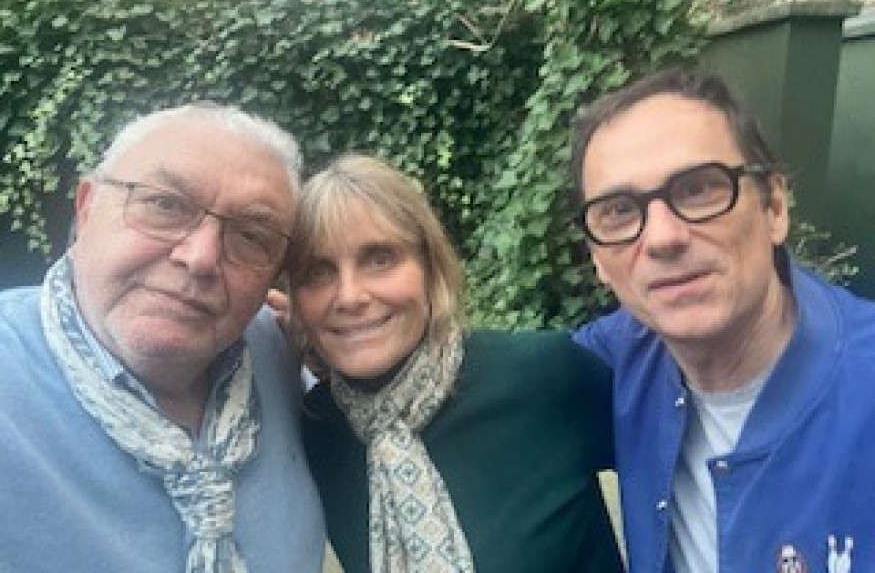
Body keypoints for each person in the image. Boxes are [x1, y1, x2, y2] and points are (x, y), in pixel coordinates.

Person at [570, 67, 875, 573]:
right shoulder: (609, 364)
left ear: (773, 207)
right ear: (598, 258)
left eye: (698, 189)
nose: (662, 237)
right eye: (619, 211)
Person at [0, 103, 325, 572]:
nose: (201, 257)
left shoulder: (279, 352)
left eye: (252, 236)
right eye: (166, 205)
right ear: (86, 208)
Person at [287, 154, 623, 573]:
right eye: (317, 272)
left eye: (379, 259)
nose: (350, 296)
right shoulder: (317, 430)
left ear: (430, 267)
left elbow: (687, 466)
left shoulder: (546, 375)